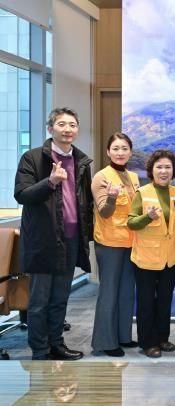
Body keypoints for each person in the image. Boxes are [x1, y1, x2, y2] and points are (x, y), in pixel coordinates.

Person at [14, 107, 93, 360]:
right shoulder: (32, 157)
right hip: (43, 240)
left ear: (77, 129)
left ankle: (57, 344)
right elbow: (22, 194)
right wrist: (50, 182)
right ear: (50, 128)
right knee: (39, 301)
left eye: (72, 125)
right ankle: (40, 350)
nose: (67, 129)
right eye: (61, 124)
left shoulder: (81, 161)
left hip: (71, 239)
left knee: (60, 298)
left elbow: (85, 202)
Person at [91, 133, 140, 357]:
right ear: (108, 152)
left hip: (131, 241)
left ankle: (123, 336)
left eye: (124, 148)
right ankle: (106, 342)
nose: (120, 153)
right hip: (109, 242)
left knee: (127, 291)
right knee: (109, 292)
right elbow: (104, 211)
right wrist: (111, 197)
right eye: (116, 148)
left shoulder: (133, 176)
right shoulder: (101, 177)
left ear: (130, 151)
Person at [127, 149, 175, 358]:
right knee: (146, 302)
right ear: (151, 170)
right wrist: (147, 217)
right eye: (159, 167)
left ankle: (162, 338)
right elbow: (131, 222)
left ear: (173, 170)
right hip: (146, 258)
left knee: (165, 300)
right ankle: (148, 342)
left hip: (170, 257)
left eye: (168, 167)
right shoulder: (142, 193)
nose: (164, 171)